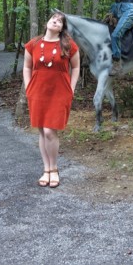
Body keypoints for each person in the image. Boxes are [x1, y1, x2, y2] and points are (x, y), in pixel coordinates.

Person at [23, 11, 80, 188]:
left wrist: (71, 88)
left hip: (60, 92)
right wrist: (28, 87)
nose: (55, 21)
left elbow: (76, 67)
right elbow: (26, 66)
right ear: (47, 23)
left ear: (63, 28)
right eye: (53, 19)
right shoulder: (33, 44)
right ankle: (46, 169)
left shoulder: (68, 45)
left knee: (49, 131)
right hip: (37, 91)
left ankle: (54, 168)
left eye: (60, 21)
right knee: (41, 131)